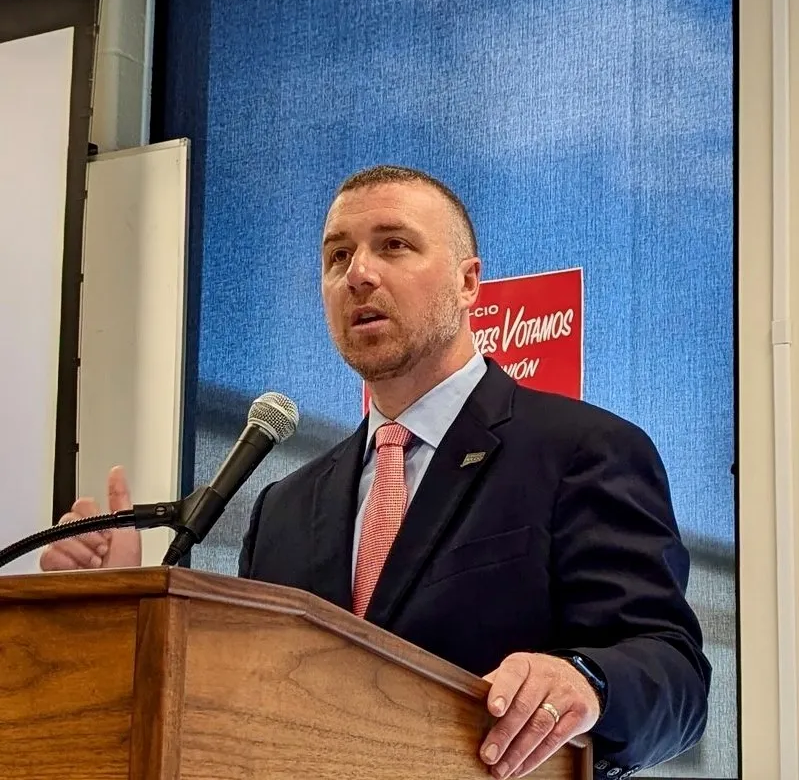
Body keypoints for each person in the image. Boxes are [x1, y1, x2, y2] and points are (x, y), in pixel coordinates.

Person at [41, 165, 710, 779]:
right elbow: (238, 705)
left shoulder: (580, 449)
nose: (357, 273)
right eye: (337, 256)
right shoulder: (283, 506)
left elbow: (672, 675)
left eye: (393, 245)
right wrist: (116, 607)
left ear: (468, 281)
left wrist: (586, 681)